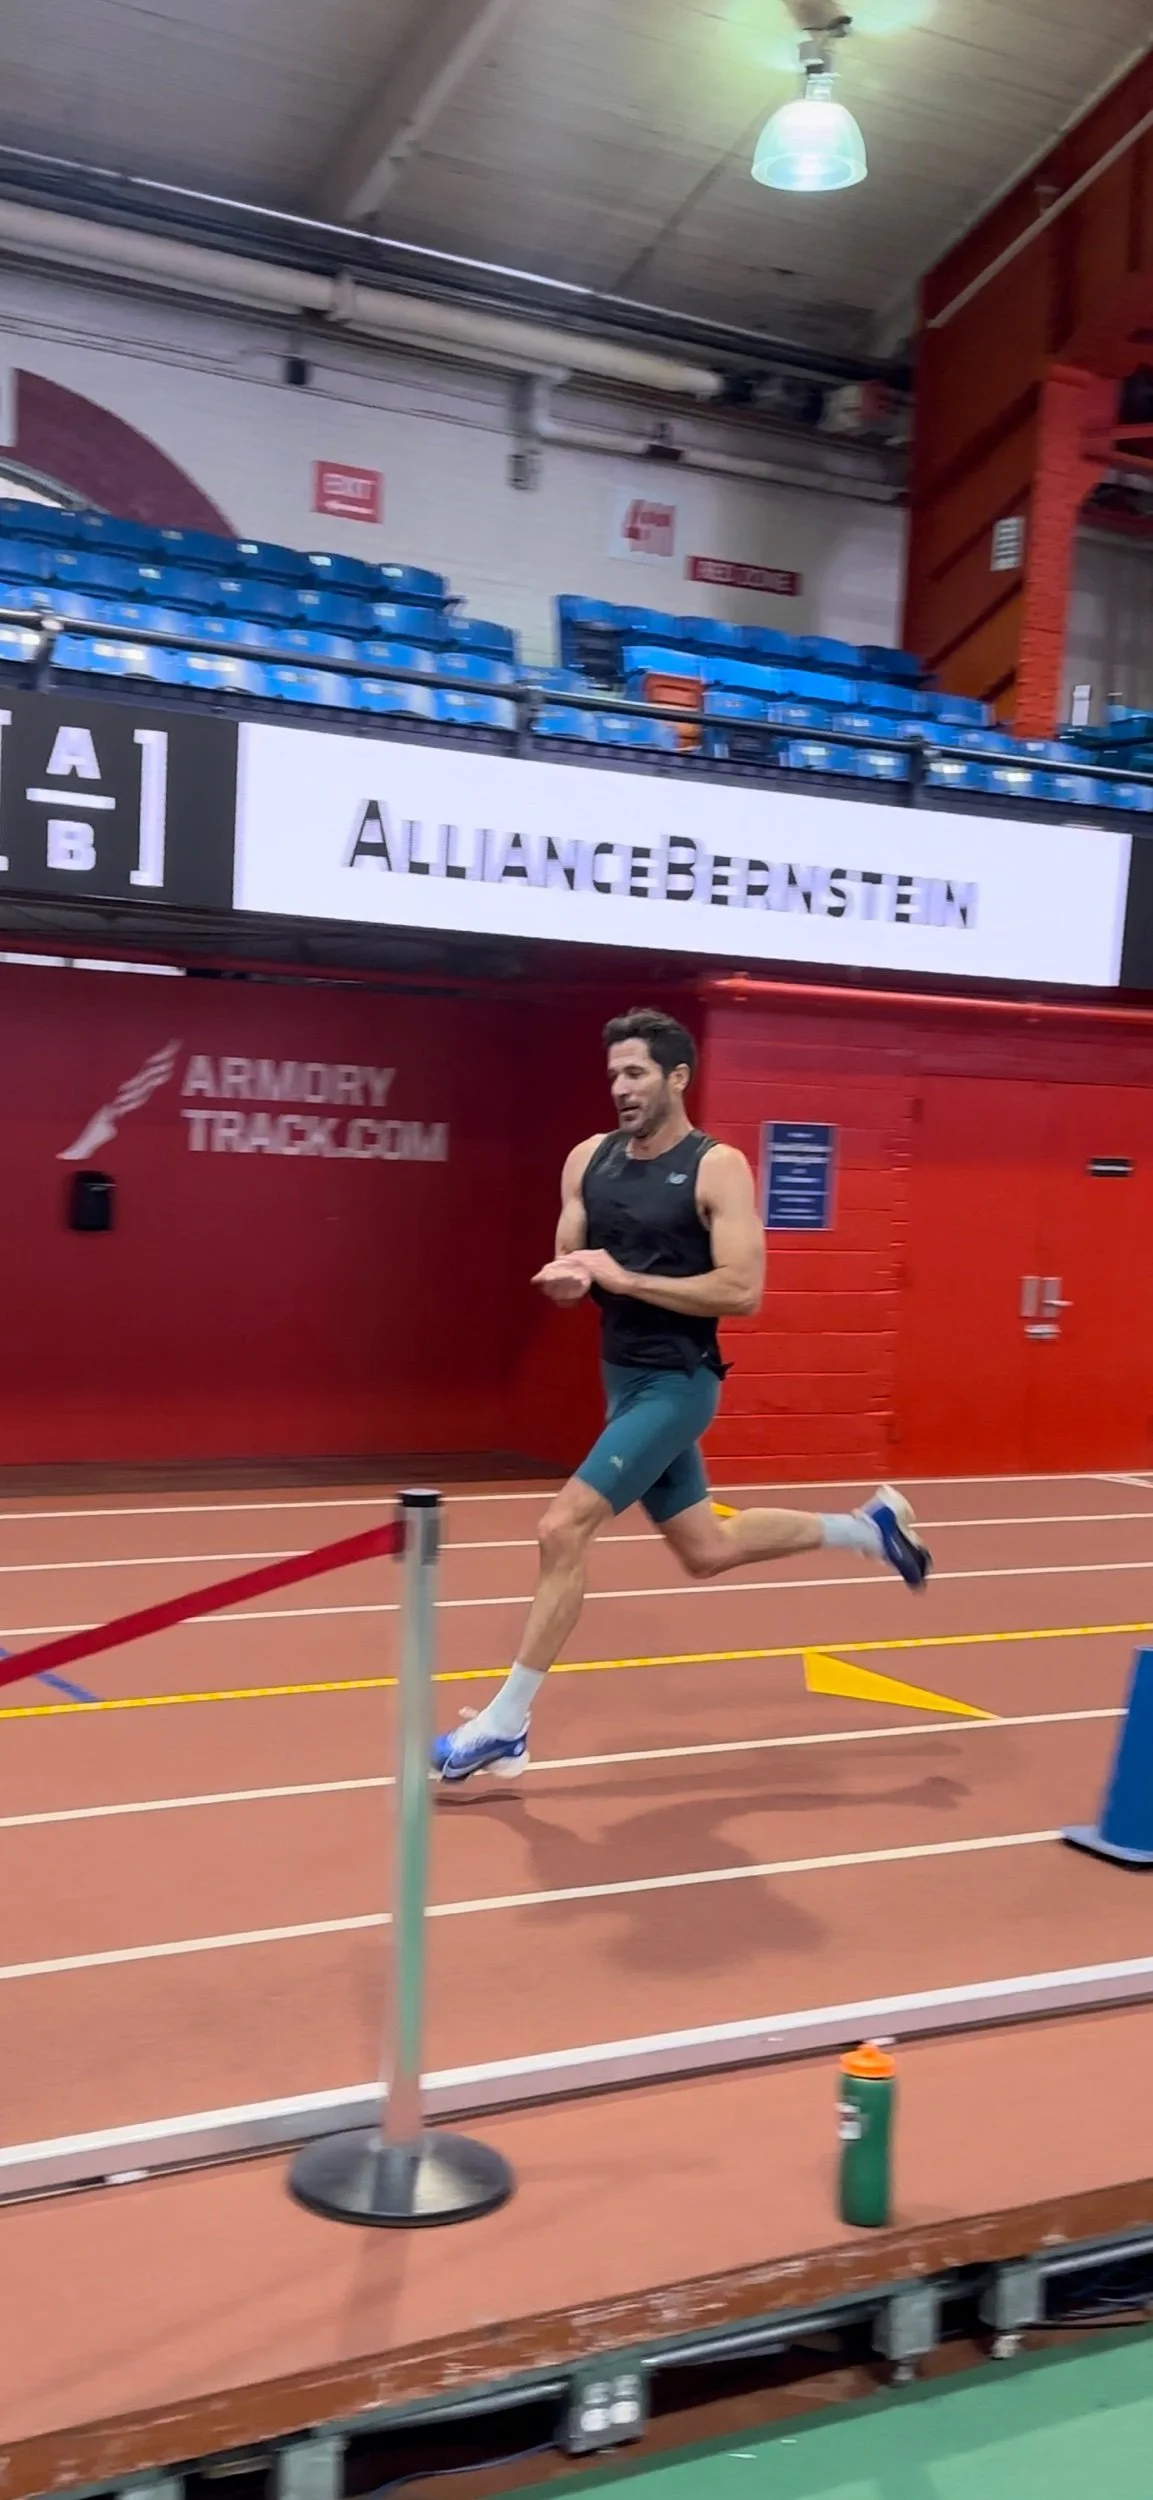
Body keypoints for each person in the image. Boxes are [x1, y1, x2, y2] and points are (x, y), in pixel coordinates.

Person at [432, 1006, 930, 1783]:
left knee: (562, 1528)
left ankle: (507, 1724)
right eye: (612, 1076)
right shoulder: (586, 1161)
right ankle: (865, 1531)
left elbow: (742, 1290)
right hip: (621, 1380)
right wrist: (566, 1279)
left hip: (678, 1383)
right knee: (706, 1550)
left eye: (635, 1074)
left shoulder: (717, 1166)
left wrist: (621, 1278)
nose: (620, 1089)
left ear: (676, 1077)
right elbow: (573, 1256)